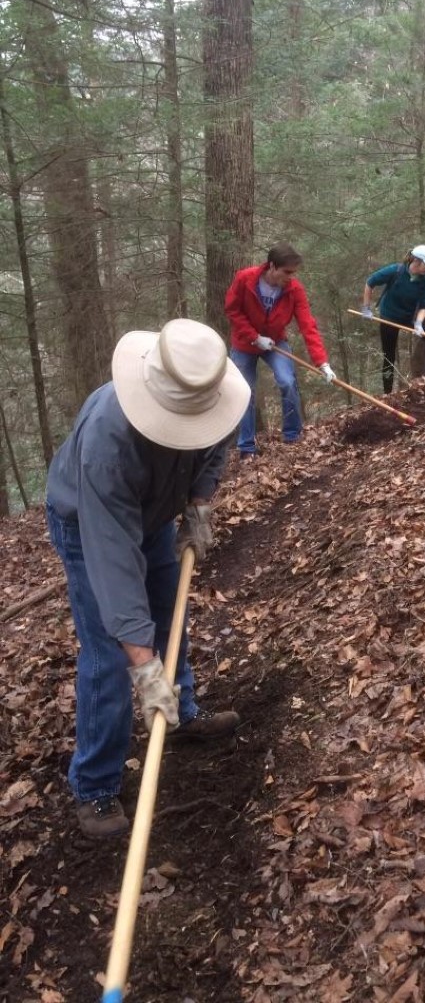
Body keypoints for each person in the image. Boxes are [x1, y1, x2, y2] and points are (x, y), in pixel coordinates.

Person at [46, 318, 251, 839]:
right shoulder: (108, 441)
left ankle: (179, 710)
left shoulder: (210, 387)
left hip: (156, 512)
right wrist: (143, 666)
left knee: (168, 609)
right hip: (87, 521)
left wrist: (199, 504)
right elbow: (114, 566)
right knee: (110, 651)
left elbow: (215, 445)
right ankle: (94, 785)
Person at [225, 242, 335, 457]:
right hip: (244, 343)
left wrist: (322, 363)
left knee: (287, 381)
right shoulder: (245, 279)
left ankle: (292, 436)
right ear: (272, 266)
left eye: (293, 273)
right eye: (287, 272)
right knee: (244, 391)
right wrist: (254, 337)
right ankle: (246, 447)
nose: (290, 277)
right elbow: (232, 310)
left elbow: (307, 326)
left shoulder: (294, 289)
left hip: (275, 342)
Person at [361, 244, 425, 394]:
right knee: (389, 356)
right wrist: (366, 308)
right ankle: (387, 393)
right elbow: (370, 283)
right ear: (416, 261)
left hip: (410, 316)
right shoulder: (395, 271)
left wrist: (418, 323)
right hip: (389, 316)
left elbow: (423, 306)